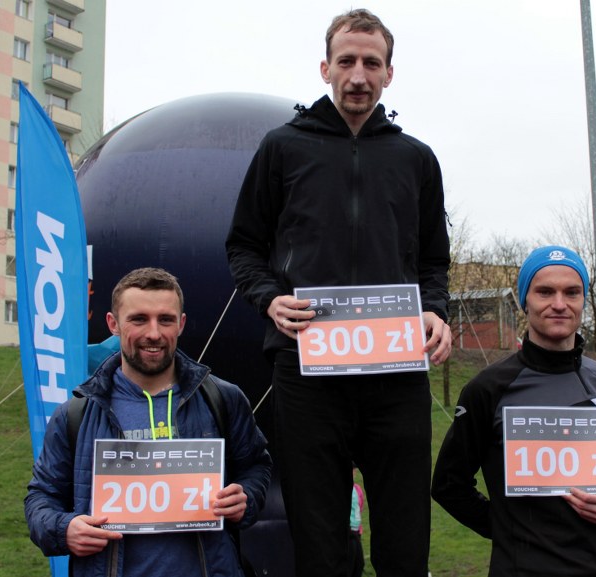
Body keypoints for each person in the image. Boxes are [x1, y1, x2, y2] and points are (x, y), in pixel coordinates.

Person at [225, 8, 451, 577]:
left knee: (405, 542)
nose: (358, 76)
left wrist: (435, 312)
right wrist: (268, 298)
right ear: (325, 68)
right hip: (306, 371)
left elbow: (432, 261)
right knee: (319, 541)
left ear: (389, 73)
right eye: (346, 61)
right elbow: (244, 246)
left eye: (371, 63)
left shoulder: (416, 158)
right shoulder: (282, 148)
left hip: (396, 373)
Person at [431, 246, 596, 577]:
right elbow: (448, 484)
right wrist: (505, 529)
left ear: (583, 302)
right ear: (525, 301)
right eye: (545, 292)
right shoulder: (487, 389)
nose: (559, 304)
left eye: (571, 292)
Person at [25, 267, 272, 577]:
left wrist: (245, 497)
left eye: (165, 319)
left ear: (181, 324)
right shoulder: (75, 414)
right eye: (139, 319)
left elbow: (256, 467)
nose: (154, 333)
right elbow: (41, 498)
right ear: (113, 324)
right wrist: (64, 529)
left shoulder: (223, 399)